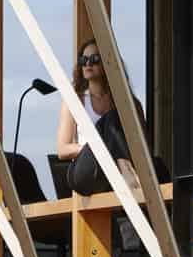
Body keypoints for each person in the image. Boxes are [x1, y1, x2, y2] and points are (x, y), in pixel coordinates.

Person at [54, 38, 148, 197]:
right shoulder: (75, 100)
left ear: (108, 62)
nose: (88, 64)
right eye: (83, 60)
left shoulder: (131, 104)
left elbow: (142, 144)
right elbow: (62, 149)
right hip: (87, 171)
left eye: (94, 59)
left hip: (115, 170)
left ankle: (125, 171)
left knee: (115, 116)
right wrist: (99, 147)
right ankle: (128, 176)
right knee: (110, 120)